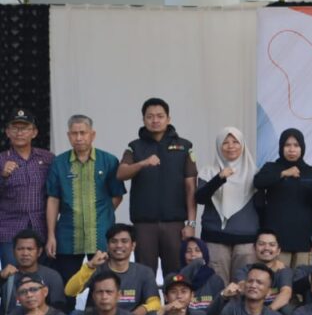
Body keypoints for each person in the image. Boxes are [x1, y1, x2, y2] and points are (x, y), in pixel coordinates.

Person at [117, 97, 197, 274]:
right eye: (150, 116)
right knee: (144, 274)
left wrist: (191, 223)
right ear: (143, 119)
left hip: (174, 224)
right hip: (144, 225)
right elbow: (121, 173)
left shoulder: (184, 146)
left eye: (160, 116)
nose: (155, 120)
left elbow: (191, 187)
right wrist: (142, 163)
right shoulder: (134, 147)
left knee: (176, 276)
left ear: (168, 119)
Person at [44, 114, 126, 283]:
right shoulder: (59, 163)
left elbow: (117, 195)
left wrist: (102, 215)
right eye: (74, 133)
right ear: (68, 136)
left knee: (103, 285)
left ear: (92, 135)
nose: (79, 138)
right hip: (67, 236)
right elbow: (53, 199)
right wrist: (51, 235)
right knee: (67, 286)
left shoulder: (109, 161)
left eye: (83, 133)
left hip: (101, 236)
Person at [196, 126, 259, 282]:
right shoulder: (208, 172)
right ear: (219, 146)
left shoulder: (255, 173)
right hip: (215, 238)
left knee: (244, 285)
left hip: (246, 240)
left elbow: (262, 206)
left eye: (235, 142)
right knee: (217, 286)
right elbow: (200, 198)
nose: (231, 146)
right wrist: (219, 178)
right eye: (225, 142)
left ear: (243, 145)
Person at [253, 128, 312, 267]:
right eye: (287, 145)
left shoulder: (310, 171)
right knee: (277, 278)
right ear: (281, 147)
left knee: (301, 278)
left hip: (303, 239)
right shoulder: (271, 167)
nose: (291, 149)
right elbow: (258, 182)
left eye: (296, 145)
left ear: (302, 148)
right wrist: (283, 174)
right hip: (277, 240)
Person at [65, 224, 160, 315]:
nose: (119, 245)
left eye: (124, 241)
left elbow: (155, 302)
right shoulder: (96, 268)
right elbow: (69, 291)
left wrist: (144, 308)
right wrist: (90, 266)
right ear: (107, 246)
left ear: (133, 246)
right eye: (114, 241)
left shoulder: (144, 272)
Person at [0, 108, 54, 268]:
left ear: (34, 132)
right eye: (15, 128)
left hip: (42, 228)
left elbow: (56, 193)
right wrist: (3, 176)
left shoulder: (48, 158)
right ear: (7, 132)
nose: (19, 132)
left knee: (42, 277)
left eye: (24, 128)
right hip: (9, 230)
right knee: (12, 277)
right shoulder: (1, 160)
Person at [1, 228, 67, 315]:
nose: (25, 253)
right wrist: (1, 278)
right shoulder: (7, 274)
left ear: (39, 252)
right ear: (13, 251)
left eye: (30, 249)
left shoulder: (52, 276)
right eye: (20, 249)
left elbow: (59, 311)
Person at [178, 237, 226, 311]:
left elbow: (219, 310)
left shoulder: (216, 281)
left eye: (197, 250)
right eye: (188, 251)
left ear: (205, 254)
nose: (193, 254)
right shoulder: (176, 279)